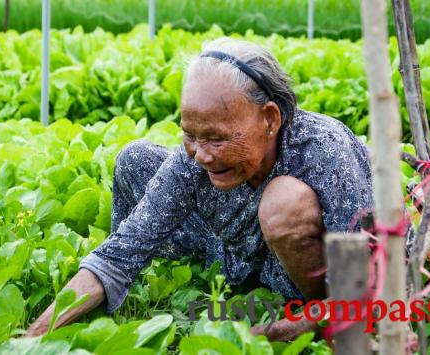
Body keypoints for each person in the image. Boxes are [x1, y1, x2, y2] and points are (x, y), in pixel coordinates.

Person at [26, 37, 373, 338]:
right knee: (135, 159)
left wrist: (284, 329)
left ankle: (315, 314)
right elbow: (118, 254)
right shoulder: (193, 158)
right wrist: (35, 335)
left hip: (314, 281)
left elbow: (367, 281)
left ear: (270, 118)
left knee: (283, 200)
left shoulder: (324, 148)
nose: (201, 154)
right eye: (190, 134)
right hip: (231, 255)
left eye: (217, 138)